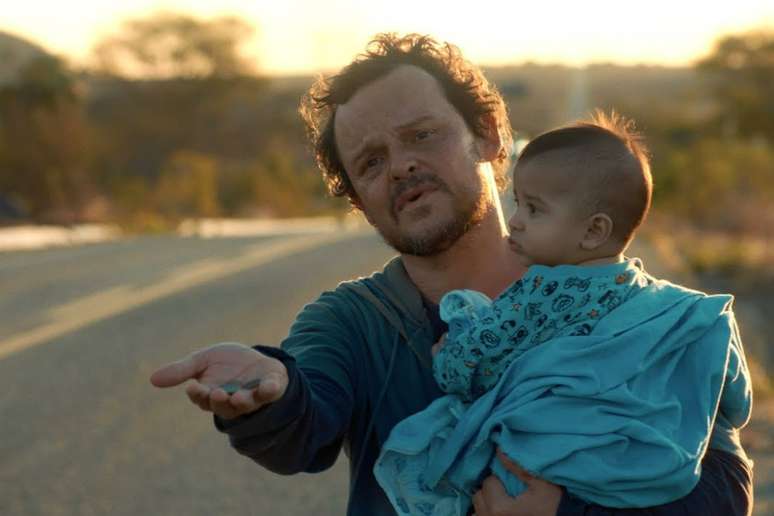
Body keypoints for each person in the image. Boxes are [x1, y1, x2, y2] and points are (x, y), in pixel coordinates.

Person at [150, 34, 754, 516]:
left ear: (489, 136)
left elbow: (724, 487)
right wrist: (270, 397)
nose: (401, 165)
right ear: (358, 199)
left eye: (422, 135)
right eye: (371, 162)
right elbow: (305, 426)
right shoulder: (353, 322)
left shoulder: (627, 305)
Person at [373, 113, 753, 515]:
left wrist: (448, 355)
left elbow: (474, 365)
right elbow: (732, 396)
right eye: (518, 204)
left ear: (593, 231)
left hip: (549, 464)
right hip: (645, 466)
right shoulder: (665, 305)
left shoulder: (541, 294)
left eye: (534, 210)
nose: (515, 222)